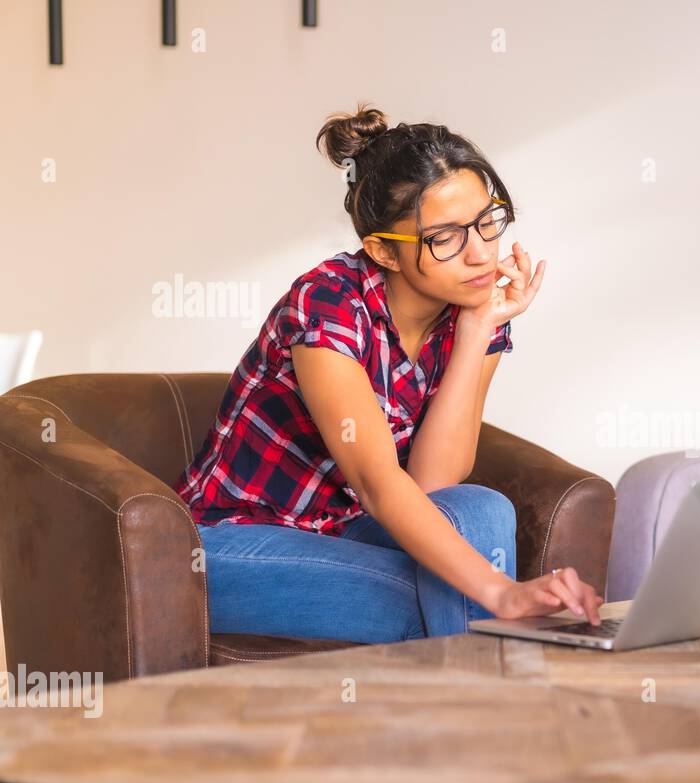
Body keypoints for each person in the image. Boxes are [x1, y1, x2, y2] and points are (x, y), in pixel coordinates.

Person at [171, 104, 603, 642]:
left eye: (486, 222)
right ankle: (498, 709)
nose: (480, 255)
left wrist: (476, 333)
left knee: (481, 506)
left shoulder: (476, 311)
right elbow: (379, 484)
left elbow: (431, 482)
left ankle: (486, 701)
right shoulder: (328, 302)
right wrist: (498, 590)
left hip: (346, 531)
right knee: (424, 600)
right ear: (384, 251)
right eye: (444, 237)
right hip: (233, 540)